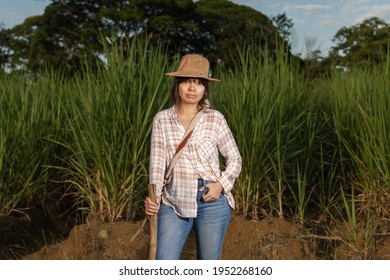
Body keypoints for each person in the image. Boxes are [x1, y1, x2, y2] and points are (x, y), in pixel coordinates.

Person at [145, 54, 242, 260]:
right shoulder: (162, 119)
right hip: (173, 201)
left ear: (205, 88)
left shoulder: (215, 118)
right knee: (164, 261)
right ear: (177, 85)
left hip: (212, 200)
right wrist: (153, 197)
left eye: (198, 83)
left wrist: (220, 185)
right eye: (187, 81)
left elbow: (235, 159)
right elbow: (156, 164)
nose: (192, 88)